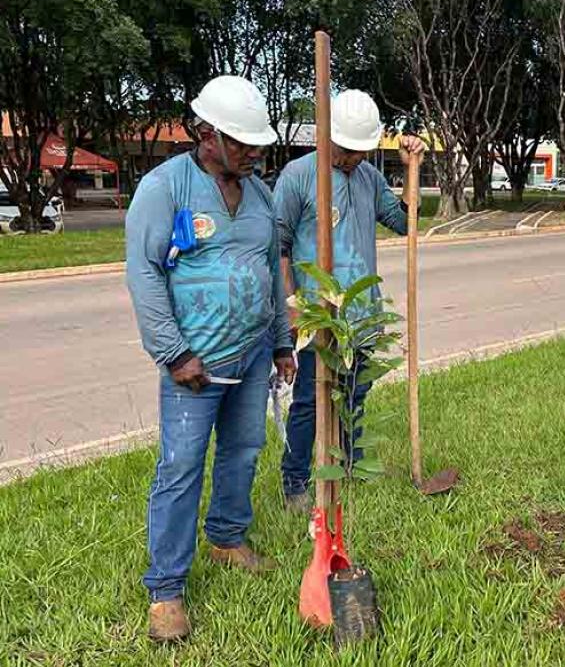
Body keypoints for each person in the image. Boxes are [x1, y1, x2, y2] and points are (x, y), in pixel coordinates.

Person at [125, 75, 297, 642]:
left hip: (249, 358)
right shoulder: (164, 187)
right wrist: (174, 353)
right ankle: (166, 590)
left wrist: (278, 342)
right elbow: (144, 274)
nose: (252, 153)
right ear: (205, 134)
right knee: (179, 469)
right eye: (241, 142)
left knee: (244, 451)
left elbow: (271, 272)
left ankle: (226, 538)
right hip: (193, 366)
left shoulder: (262, 194)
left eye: (256, 144)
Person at [275, 89, 425, 510]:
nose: (354, 158)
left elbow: (403, 222)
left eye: (362, 150)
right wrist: (290, 307)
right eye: (346, 149)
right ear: (327, 137)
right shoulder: (298, 176)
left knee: (356, 394)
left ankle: (349, 463)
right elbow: (278, 247)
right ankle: (295, 483)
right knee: (309, 400)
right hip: (317, 316)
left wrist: (412, 166)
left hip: (362, 314)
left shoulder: (369, 179)